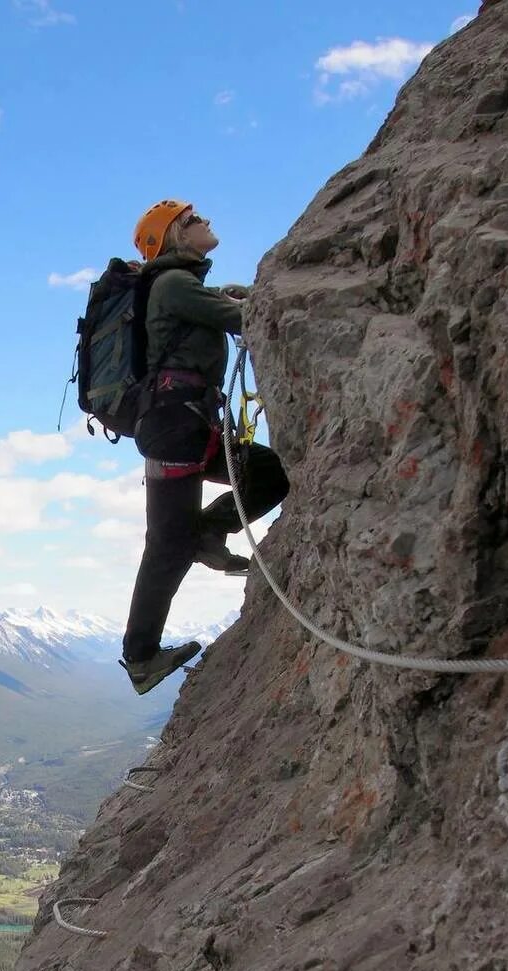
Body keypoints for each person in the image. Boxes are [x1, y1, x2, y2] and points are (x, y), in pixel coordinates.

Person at [119, 199, 289, 695]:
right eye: (193, 220)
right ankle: (141, 657)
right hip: (178, 428)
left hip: (184, 428)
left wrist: (223, 295)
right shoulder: (173, 284)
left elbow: (217, 312)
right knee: (166, 546)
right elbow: (243, 320)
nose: (205, 221)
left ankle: (207, 533)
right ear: (174, 236)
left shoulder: (179, 286)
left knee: (267, 472)